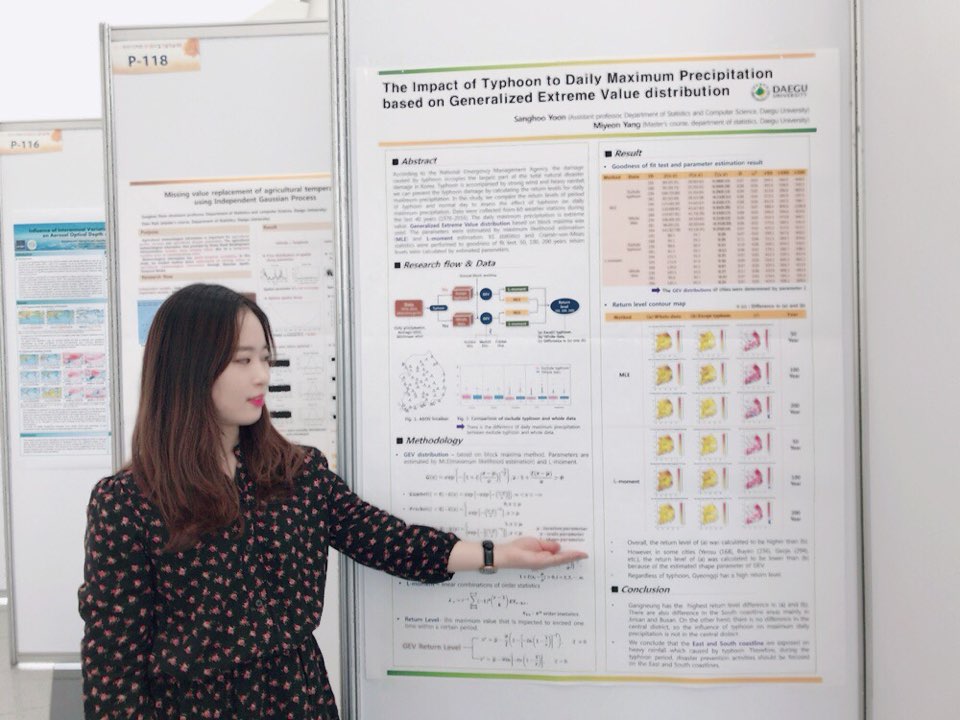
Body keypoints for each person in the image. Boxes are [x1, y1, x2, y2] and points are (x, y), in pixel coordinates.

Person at [79, 283, 586, 719]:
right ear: (188, 369)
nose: (262, 375)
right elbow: (112, 666)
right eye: (243, 360)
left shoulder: (296, 473)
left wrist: (499, 554)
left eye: (265, 358)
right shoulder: (127, 503)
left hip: (300, 701)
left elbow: (386, 540)